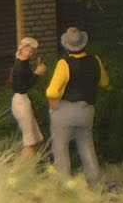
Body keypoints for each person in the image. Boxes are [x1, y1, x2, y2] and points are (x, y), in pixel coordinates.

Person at [46, 27, 110, 187]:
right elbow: (104, 82)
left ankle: (64, 187)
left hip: (65, 110)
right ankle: (95, 184)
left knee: (61, 149)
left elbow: (52, 91)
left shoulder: (64, 64)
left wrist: (54, 102)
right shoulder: (95, 60)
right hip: (87, 110)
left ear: (67, 46)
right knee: (86, 146)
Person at [8, 37, 48, 156]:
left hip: (23, 99)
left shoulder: (23, 64)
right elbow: (22, 87)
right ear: (21, 49)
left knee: (33, 137)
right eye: (28, 51)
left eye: (31, 52)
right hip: (20, 100)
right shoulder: (19, 66)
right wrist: (37, 74)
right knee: (29, 139)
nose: (30, 54)